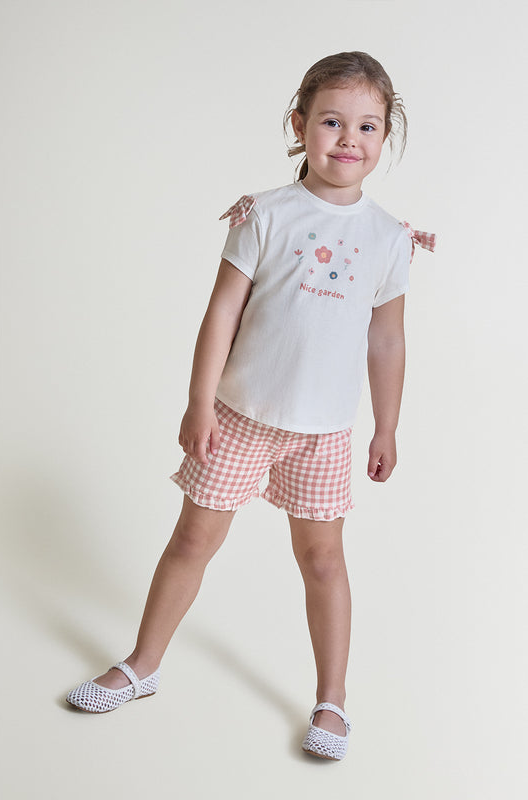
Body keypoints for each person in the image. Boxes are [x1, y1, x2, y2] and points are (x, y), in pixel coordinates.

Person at [66, 51, 435, 761]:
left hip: (323, 433)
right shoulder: (265, 214)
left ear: (384, 136)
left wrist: (386, 425)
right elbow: (221, 314)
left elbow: (387, 340)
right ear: (300, 125)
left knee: (322, 560)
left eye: (367, 126)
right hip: (238, 418)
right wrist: (199, 403)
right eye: (331, 121)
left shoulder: (389, 238)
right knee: (192, 541)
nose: (348, 139)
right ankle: (142, 665)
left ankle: (332, 700)